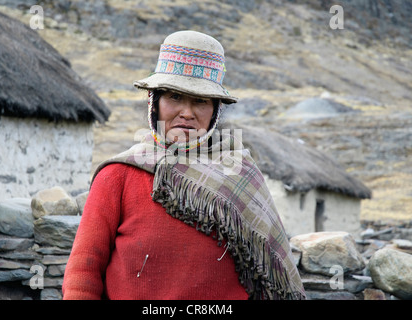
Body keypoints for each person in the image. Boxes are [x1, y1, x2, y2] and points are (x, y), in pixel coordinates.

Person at [62, 30, 306, 300]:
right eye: (174, 97)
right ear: (153, 103)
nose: (187, 113)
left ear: (215, 111)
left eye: (200, 101)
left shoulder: (241, 173)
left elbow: (269, 277)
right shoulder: (118, 175)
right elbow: (83, 274)